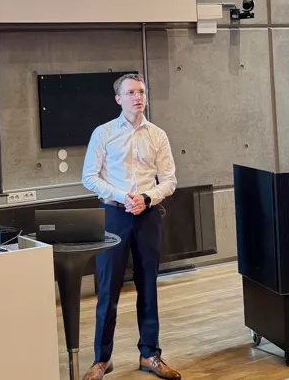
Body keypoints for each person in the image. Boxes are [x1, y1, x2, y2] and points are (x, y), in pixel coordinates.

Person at [81, 73, 180, 380]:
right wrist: (123, 196)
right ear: (118, 99)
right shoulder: (103, 133)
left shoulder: (158, 135)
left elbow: (170, 181)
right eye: (131, 93)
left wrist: (146, 198)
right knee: (108, 287)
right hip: (114, 214)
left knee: (148, 285)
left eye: (141, 92)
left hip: (147, 215)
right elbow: (89, 177)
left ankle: (150, 354)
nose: (138, 97)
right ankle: (102, 359)